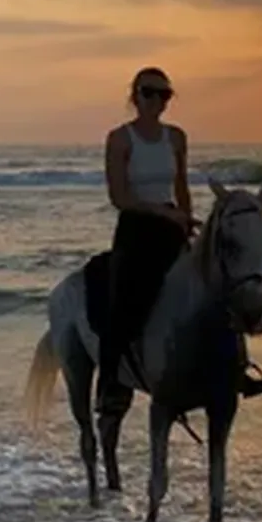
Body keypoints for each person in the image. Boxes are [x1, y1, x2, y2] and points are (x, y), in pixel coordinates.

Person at [97, 66, 194, 409]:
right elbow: (119, 197)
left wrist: (186, 218)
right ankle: (110, 384)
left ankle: (230, 369)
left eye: (163, 94)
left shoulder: (177, 137)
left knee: (215, 287)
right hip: (137, 227)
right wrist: (162, 212)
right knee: (123, 301)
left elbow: (181, 187)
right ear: (134, 97)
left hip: (172, 226)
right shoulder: (121, 139)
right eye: (148, 92)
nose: (156, 100)